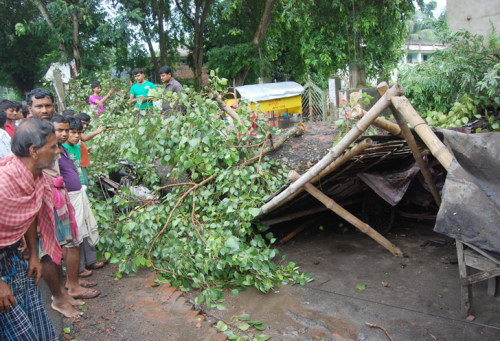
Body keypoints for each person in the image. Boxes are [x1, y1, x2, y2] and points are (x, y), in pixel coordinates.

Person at [0, 118, 59, 340]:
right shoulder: (4, 184)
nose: (57, 151)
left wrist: (34, 254)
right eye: (52, 147)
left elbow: (31, 214)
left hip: (14, 258)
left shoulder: (35, 178)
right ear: (34, 151)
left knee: (40, 327)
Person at [50, 115, 100, 301]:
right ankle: (72, 286)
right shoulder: (50, 150)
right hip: (66, 200)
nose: (64, 134)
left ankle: (74, 281)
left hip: (74, 198)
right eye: (60, 130)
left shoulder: (61, 148)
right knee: (71, 242)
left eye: (66, 130)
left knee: (76, 240)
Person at [76, 112, 105, 185]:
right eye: (83, 123)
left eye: (87, 124)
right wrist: (96, 132)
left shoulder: (78, 135)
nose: (85, 126)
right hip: (79, 166)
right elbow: (84, 138)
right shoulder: (76, 134)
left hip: (82, 165)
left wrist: (86, 150)